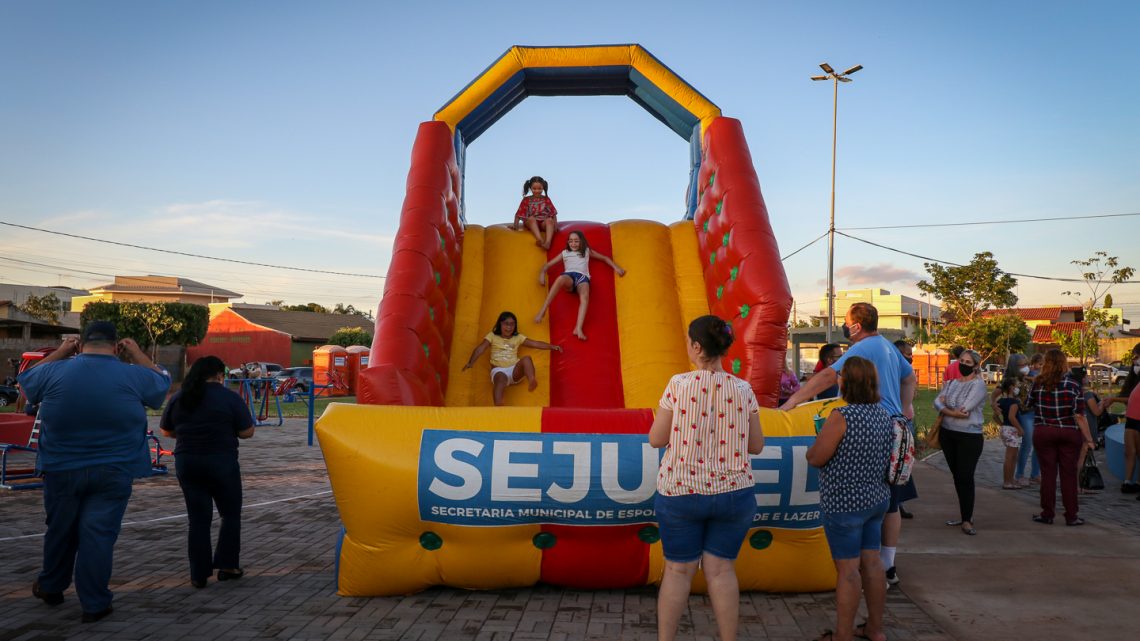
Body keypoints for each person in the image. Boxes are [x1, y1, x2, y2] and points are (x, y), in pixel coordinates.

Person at [18, 322, 170, 623]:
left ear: (80, 344)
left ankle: (51, 586)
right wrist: (138, 354)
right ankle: (94, 603)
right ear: (116, 346)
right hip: (114, 470)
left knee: (60, 530)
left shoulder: (53, 372)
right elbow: (160, 387)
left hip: (61, 468)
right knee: (98, 535)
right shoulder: (134, 375)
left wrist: (61, 352)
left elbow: (26, 381)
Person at [781, 303, 915, 588]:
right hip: (893, 426)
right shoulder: (888, 346)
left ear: (856, 325)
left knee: (858, 493)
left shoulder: (862, 349)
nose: (844, 326)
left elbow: (829, 375)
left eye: (846, 321)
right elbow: (909, 377)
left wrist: (794, 401)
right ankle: (887, 564)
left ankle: (860, 567)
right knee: (890, 499)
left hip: (872, 424)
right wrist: (906, 407)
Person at [648, 315, 764, 641]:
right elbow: (756, 445)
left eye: (688, 340)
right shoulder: (743, 389)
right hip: (734, 494)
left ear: (697, 347)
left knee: (677, 571)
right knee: (722, 571)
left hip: (681, 492)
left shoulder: (678, 385)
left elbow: (657, 439)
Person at [806, 356, 892, 641]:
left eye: (841, 376)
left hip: (844, 505)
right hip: (876, 499)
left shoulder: (841, 417)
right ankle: (875, 630)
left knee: (847, 571)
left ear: (848, 382)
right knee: (873, 563)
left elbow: (817, 457)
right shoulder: (883, 414)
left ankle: (842, 635)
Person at [159, 356, 255, 589]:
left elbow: (166, 431)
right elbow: (247, 432)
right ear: (220, 375)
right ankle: (228, 565)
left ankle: (198, 574)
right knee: (230, 515)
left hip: (188, 463)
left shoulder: (181, 397)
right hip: (222, 462)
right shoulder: (229, 398)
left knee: (198, 520)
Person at [1028, 349, 1095, 526]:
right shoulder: (1073, 385)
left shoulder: (1038, 383)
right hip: (1068, 431)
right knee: (1069, 475)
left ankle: (1047, 513)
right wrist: (1089, 439)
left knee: (1048, 474)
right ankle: (1071, 515)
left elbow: (1028, 404)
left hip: (1044, 430)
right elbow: (1079, 415)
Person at [534, 230, 625, 341]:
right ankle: (543, 310)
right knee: (560, 278)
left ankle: (578, 328)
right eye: (571, 241)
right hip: (569, 277)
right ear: (568, 242)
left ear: (581, 241)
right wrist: (542, 274)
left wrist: (617, 268)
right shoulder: (565, 253)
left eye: (576, 241)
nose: (573, 244)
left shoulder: (586, 251)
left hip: (582, 277)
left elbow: (604, 258)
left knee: (585, 296)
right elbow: (546, 266)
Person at [934, 349, 988, 535]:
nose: (963, 364)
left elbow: (964, 409)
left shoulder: (978, 385)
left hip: (969, 436)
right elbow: (936, 402)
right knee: (957, 477)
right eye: (961, 360)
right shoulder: (952, 383)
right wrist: (951, 411)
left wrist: (946, 407)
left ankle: (967, 519)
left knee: (965, 477)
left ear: (975, 365)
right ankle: (965, 514)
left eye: (968, 362)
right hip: (947, 434)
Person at [462, 311, 562, 405]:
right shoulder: (492, 336)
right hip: (498, 370)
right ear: (500, 324)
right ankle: (499, 407)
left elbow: (535, 343)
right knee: (500, 380)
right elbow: (481, 348)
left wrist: (552, 346)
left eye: (512, 324)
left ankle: (531, 379)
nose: (509, 327)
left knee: (527, 358)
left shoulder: (518, 337)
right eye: (506, 324)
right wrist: (471, 362)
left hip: (514, 370)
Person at [1108, 346, 1140, 492]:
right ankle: (1127, 481)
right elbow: (1128, 397)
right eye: (1134, 359)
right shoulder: (1133, 378)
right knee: (1129, 451)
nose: (1135, 362)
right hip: (1131, 419)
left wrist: (1113, 399)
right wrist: (1114, 399)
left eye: (1137, 358)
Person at [892, 339, 916, 520]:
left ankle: (899, 503)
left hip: (906, 419)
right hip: (901, 421)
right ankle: (896, 504)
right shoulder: (894, 373)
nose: (911, 358)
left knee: (903, 465)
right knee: (898, 464)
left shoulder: (903, 372)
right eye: (908, 355)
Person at [511, 175, 558, 249]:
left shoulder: (546, 199)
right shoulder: (526, 200)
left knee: (549, 220)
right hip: (531, 223)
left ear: (543, 188)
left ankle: (548, 242)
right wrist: (515, 226)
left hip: (543, 223)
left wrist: (555, 226)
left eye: (539, 189)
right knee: (531, 218)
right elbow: (518, 214)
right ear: (530, 188)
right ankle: (539, 239)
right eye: (534, 189)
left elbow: (553, 213)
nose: (537, 191)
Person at [995, 378, 1025, 490]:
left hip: (1006, 429)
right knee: (1010, 457)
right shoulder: (1014, 403)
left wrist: (1002, 424)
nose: (1018, 387)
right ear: (1011, 387)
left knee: (1012, 456)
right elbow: (1012, 417)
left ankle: (1010, 480)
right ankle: (1007, 482)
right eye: (1016, 385)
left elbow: (995, 416)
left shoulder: (1001, 401)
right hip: (1012, 430)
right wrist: (1020, 429)